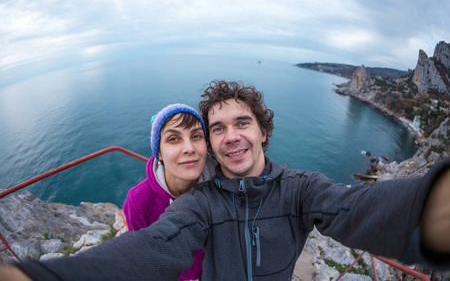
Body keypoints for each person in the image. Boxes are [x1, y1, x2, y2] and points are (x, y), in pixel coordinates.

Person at [1, 81, 450, 281]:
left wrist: (431, 213)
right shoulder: (201, 201)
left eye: (243, 123)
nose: (231, 136)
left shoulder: (301, 188)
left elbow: (352, 208)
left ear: (262, 131)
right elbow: (160, 244)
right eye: (218, 128)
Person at [123, 103, 216, 280]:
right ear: (158, 152)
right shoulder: (138, 202)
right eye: (173, 138)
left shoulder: (223, 187)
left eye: (197, 136)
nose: (189, 148)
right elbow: (145, 257)